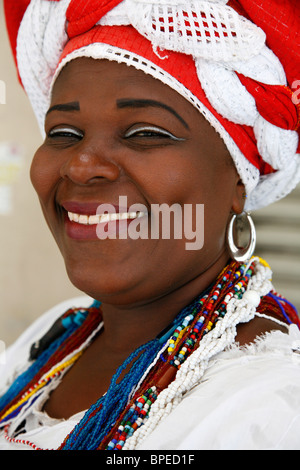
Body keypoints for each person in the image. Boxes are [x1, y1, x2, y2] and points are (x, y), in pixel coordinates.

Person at [0, 0, 300, 451]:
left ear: (239, 178)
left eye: (144, 133)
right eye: (64, 133)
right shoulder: (54, 337)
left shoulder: (266, 409)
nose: (81, 166)